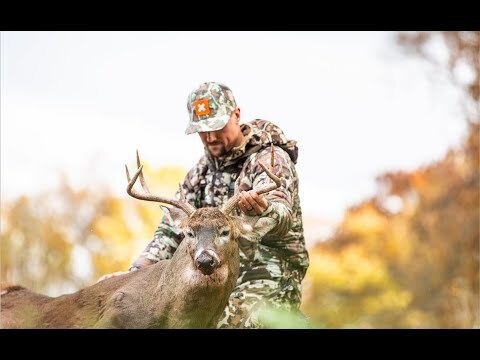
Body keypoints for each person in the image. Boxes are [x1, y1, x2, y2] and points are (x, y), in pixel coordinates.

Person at [100, 81, 309, 328]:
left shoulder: (268, 160)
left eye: (216, 126)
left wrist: (265, 209)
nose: (210, 137)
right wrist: (136, 271)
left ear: (236, 115)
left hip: (267, 275)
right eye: (201, 130)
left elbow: (282, 217)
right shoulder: (200, 172)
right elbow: (170, 231)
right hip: (211, 277)